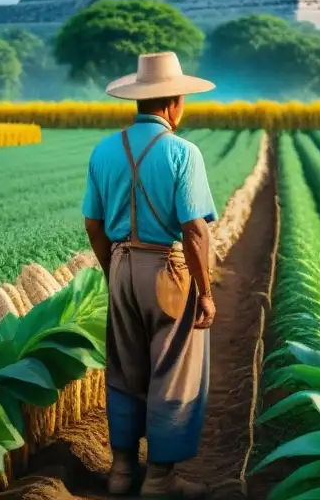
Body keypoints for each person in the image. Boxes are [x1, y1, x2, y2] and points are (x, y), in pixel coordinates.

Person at [82, 51, 218, 499]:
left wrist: (112, 271)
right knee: (174, 369)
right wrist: (206, 291)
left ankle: (121, 473)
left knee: (123, 367)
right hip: (169, 269)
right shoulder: (183, 153)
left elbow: (93, 224)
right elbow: (195, 231)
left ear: (140, 100)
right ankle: (160, 480)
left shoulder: (104, 151)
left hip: (121, 265)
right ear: (174, 102)